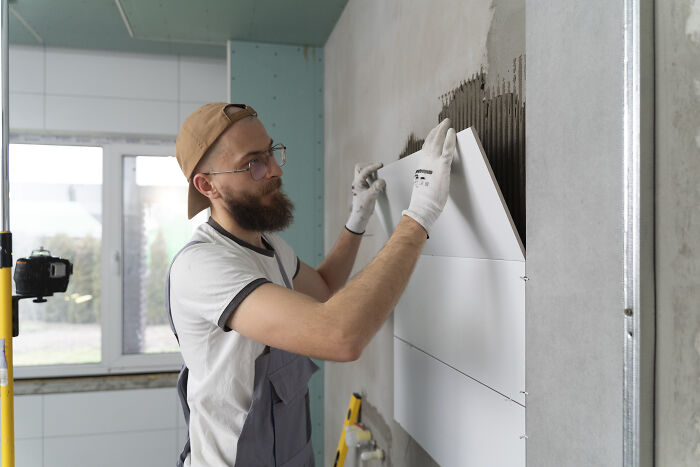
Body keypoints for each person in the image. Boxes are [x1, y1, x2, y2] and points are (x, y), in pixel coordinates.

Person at [167, 102, 456, 466]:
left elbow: (323, 287)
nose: (274, 170)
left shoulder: (268, 248)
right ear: (207, 185)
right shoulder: (202, 266)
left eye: (271, 153)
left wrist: (357, 219)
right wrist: (419, 216)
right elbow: (338, 336)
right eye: (254, 162)